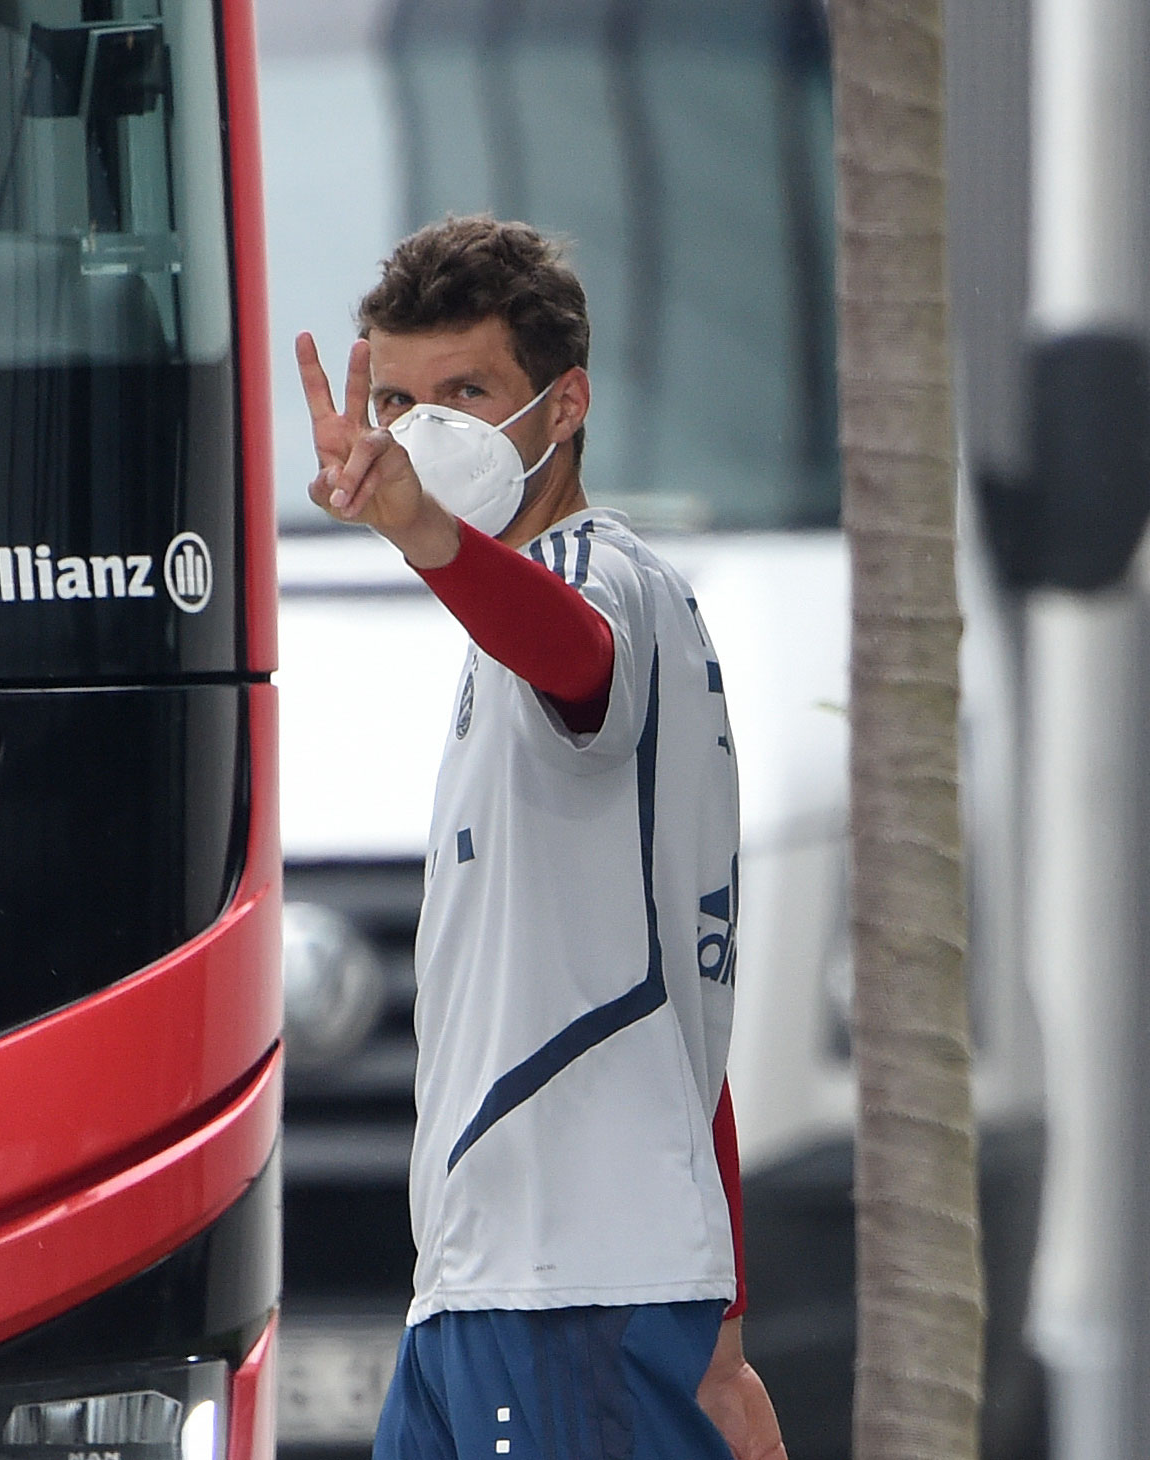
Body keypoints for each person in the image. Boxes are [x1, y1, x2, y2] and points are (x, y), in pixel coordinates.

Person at [295, 216, 788, 1460]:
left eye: (468, 393)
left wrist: (426, 539)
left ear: (564, 404)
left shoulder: (603, 576)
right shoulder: (500, 622)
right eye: (397, 400)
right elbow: (687, 1016)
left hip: (567, 1294)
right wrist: (723, 1339)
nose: (424, 432)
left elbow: (573, 650)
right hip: (478, 1286)